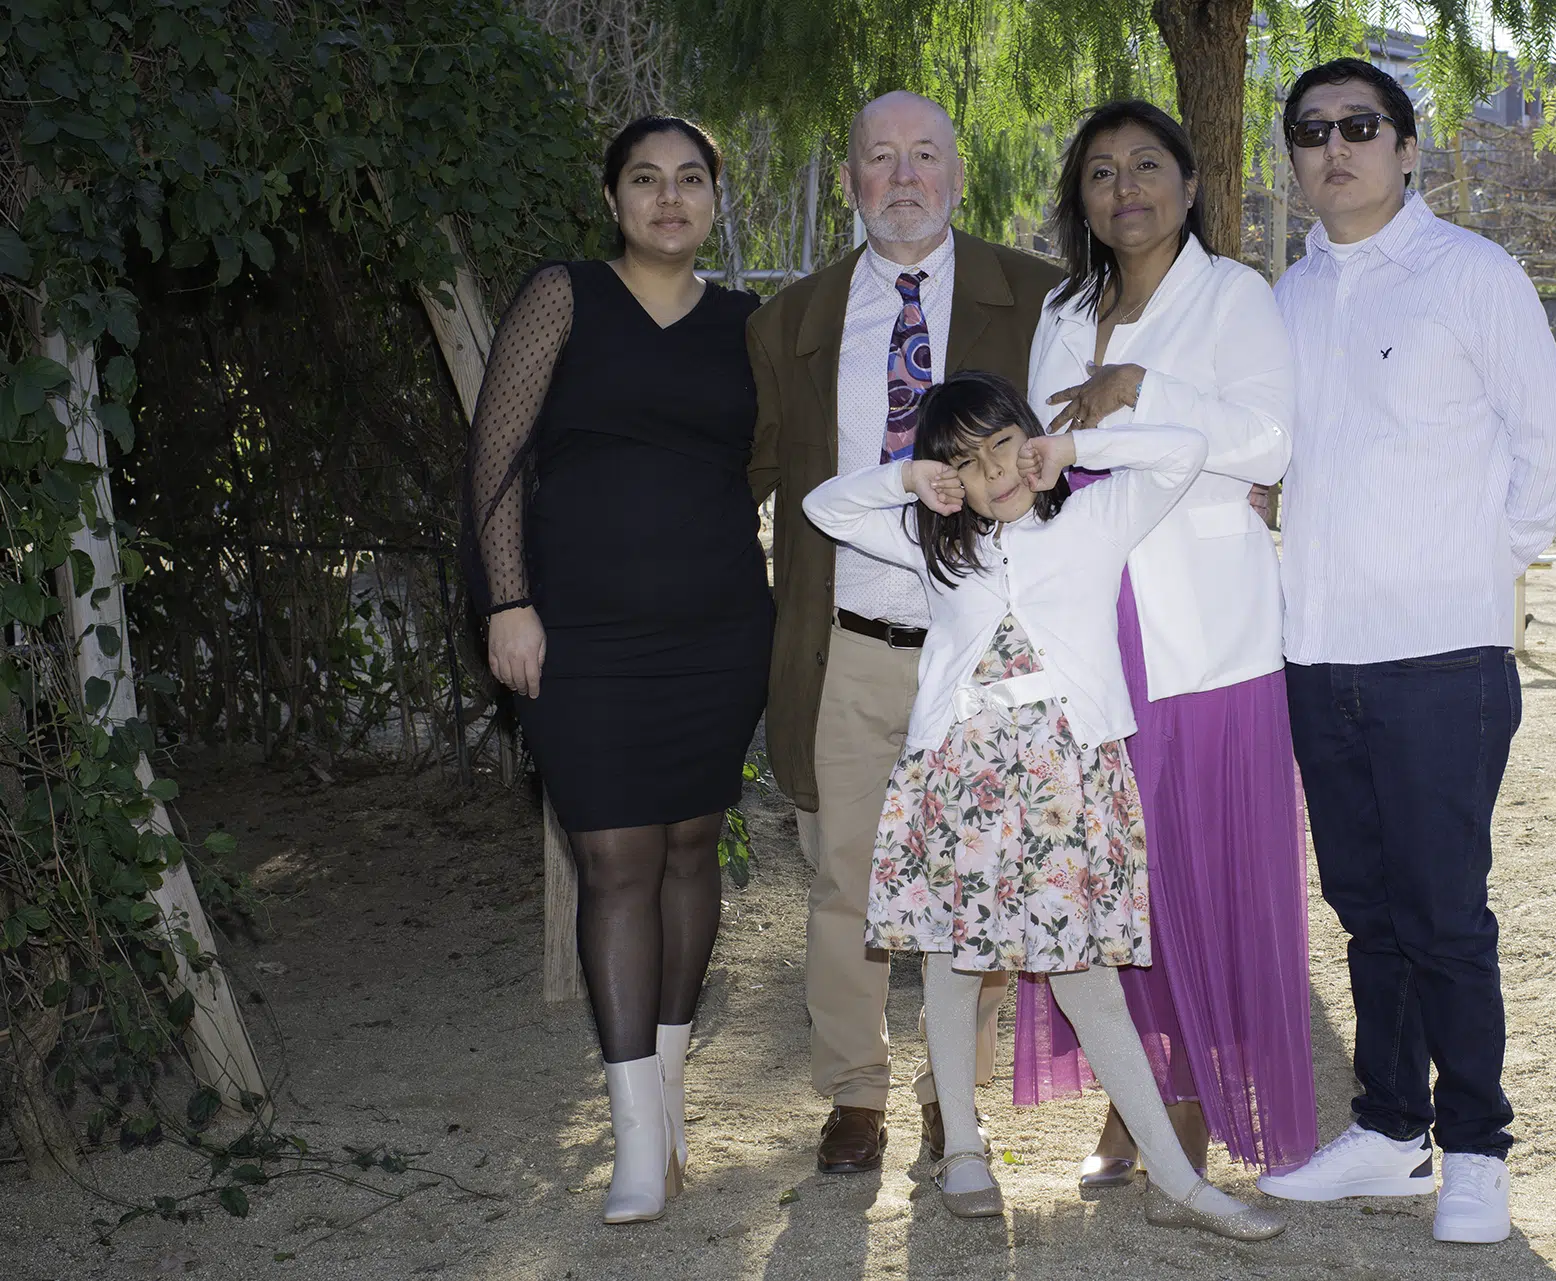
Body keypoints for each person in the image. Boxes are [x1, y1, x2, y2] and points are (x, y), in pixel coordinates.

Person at [802, 370, 1284, 1240]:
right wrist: (909, 479)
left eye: (1003, 443)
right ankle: (963, 1154)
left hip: (1066, 782)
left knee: (1085, 981)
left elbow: (1184, 452)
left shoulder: (1095, 521)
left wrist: (1073, 448)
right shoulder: (936, 542)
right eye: (966, 462)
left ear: (1030, 441)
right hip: (963, 781)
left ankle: (1174, 1180)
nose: (995, 470)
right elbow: (825, 506)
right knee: (951, 965)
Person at [1258, 59, 1556, 1244]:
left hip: (1442, 662)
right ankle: (1393, 1132)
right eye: (1312, 131)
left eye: (1361, 127)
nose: (1335, 146)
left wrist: (1466, 570)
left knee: (1447, 914)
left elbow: (1555, 452)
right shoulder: (1287, 298)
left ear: (1408, 149)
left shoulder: (1473, 277)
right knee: (1366, 909)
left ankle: (1480, 1151)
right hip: (1319, 657)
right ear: (1292, 159)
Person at [746, 91, 1063, 1174]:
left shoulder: (1038, 298)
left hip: (982, 661)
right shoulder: (790, 320)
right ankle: (855, 1094)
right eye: (879, 157)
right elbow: (769, 480)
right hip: (852, 649)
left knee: (971, 883)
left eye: (925, 154)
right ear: (850, 181)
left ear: (958, 173)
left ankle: (951, 1098)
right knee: (846, 880)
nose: (904, 175)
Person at [464, 116, 772, 1225]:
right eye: (646, 180)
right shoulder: (565, 295)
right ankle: (635, 1141)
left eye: (691, 180)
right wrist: (508, 602)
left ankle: (673, 1105)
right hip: (582, 638)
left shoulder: (748, 324)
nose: (670, 198)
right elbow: (497, 458)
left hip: (720, 630)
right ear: (612, 200)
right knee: (613, 859)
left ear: (713, 202)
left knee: (693, 848)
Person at [1016, 99, 1318, 1184]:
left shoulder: (1235, 296)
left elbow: (1270, 441)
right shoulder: (1061, 307)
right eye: (1101, 173)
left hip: (1198, 628)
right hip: (1088, 620)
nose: (1125, 188)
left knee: (1192, 862)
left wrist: (1140, 390)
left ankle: (1187, 1094)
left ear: (1190, 187)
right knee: (1110, 867)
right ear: (1082, 203)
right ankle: (1127, 1089)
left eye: (1148, 166)